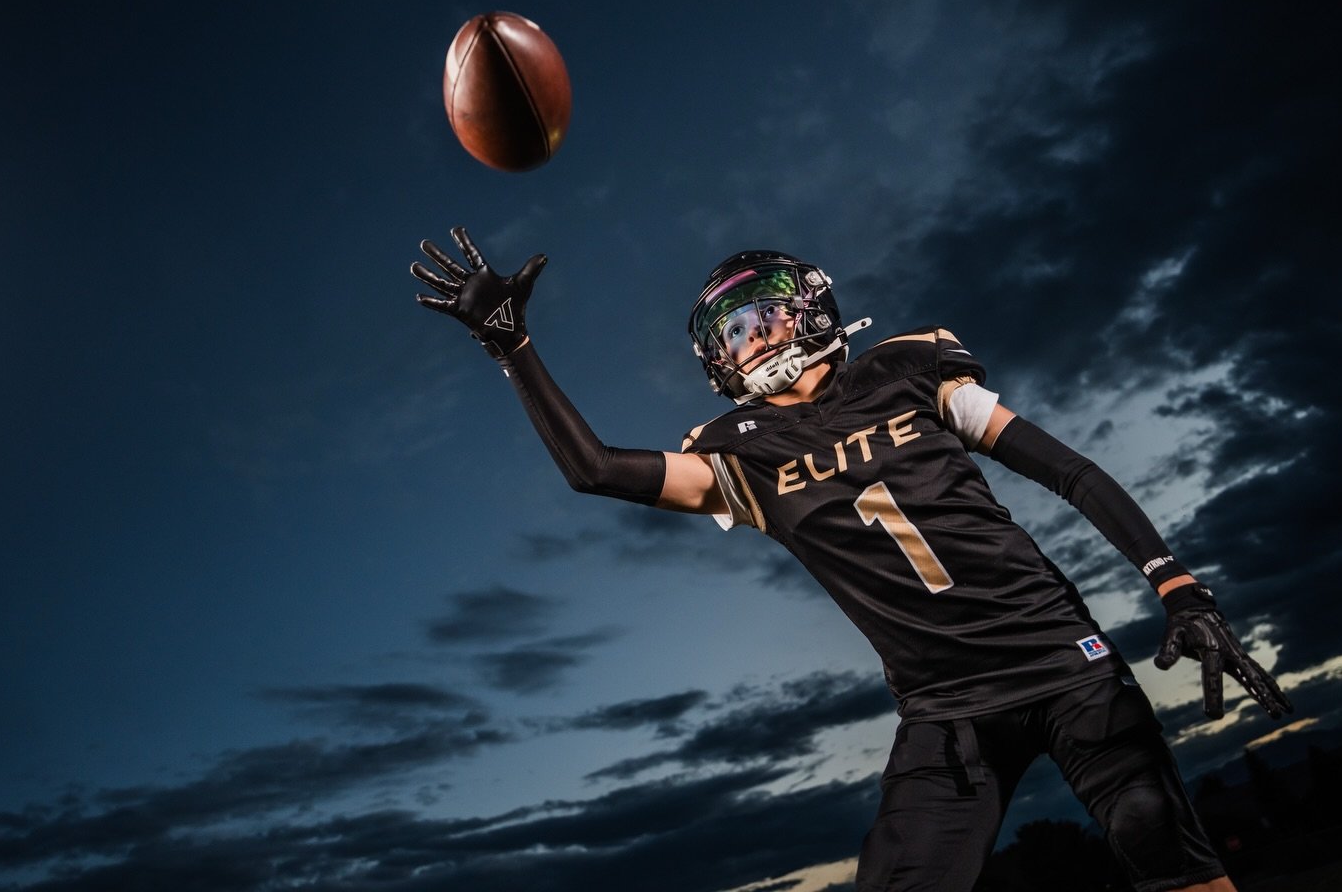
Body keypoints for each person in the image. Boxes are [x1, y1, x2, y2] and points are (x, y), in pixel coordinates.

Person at [411, 226, 1292, 892]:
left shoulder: (908, 371)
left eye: (755, 316)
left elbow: (1067, 469)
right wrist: (512, 348)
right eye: (727, 332)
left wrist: (1179, 588)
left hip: (1065, 664)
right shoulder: (739, 451)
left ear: (809, 305)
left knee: (1161, 848)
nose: (745, 340)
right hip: (947, 713)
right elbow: (594, 470)